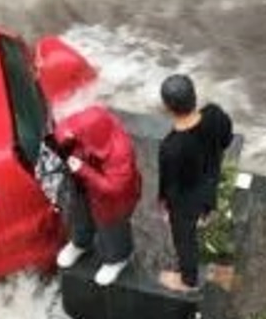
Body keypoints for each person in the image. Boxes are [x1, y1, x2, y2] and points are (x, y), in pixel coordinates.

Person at [156, 74, 234, 292]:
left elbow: (170, 186)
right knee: (203, 210)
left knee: (184, 238)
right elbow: (227, 139)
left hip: (187, 201)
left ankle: (187, 280)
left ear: (167, 107)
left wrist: (165, 206)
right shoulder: (215, 114)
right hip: (210, 182)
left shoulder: (170, 147)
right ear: (194, 96)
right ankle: (206, 215)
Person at [48, 105, 142, 286]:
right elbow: (63, 129)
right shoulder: (84, 124)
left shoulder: (121, 151)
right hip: (82, 185)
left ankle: (117, 259)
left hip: (112, 201)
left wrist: (84, 170)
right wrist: (64, 138)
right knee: (78, 213)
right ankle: (80, 242)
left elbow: (115, 187)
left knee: (112, 227)